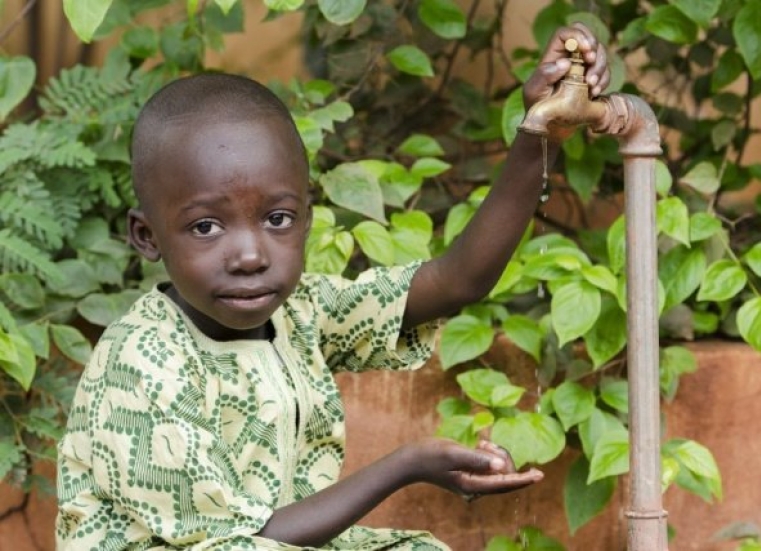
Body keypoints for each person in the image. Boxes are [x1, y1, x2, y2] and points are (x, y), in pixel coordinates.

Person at [55, 22, 609, 550]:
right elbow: (244, 542)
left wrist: (541, 133)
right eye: (206, 227)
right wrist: (407, 464)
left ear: (307, 221)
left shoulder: (300, 312)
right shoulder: (142, 362)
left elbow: (456, 280)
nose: (250, 256)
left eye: (277, 219)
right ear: (147, 236)